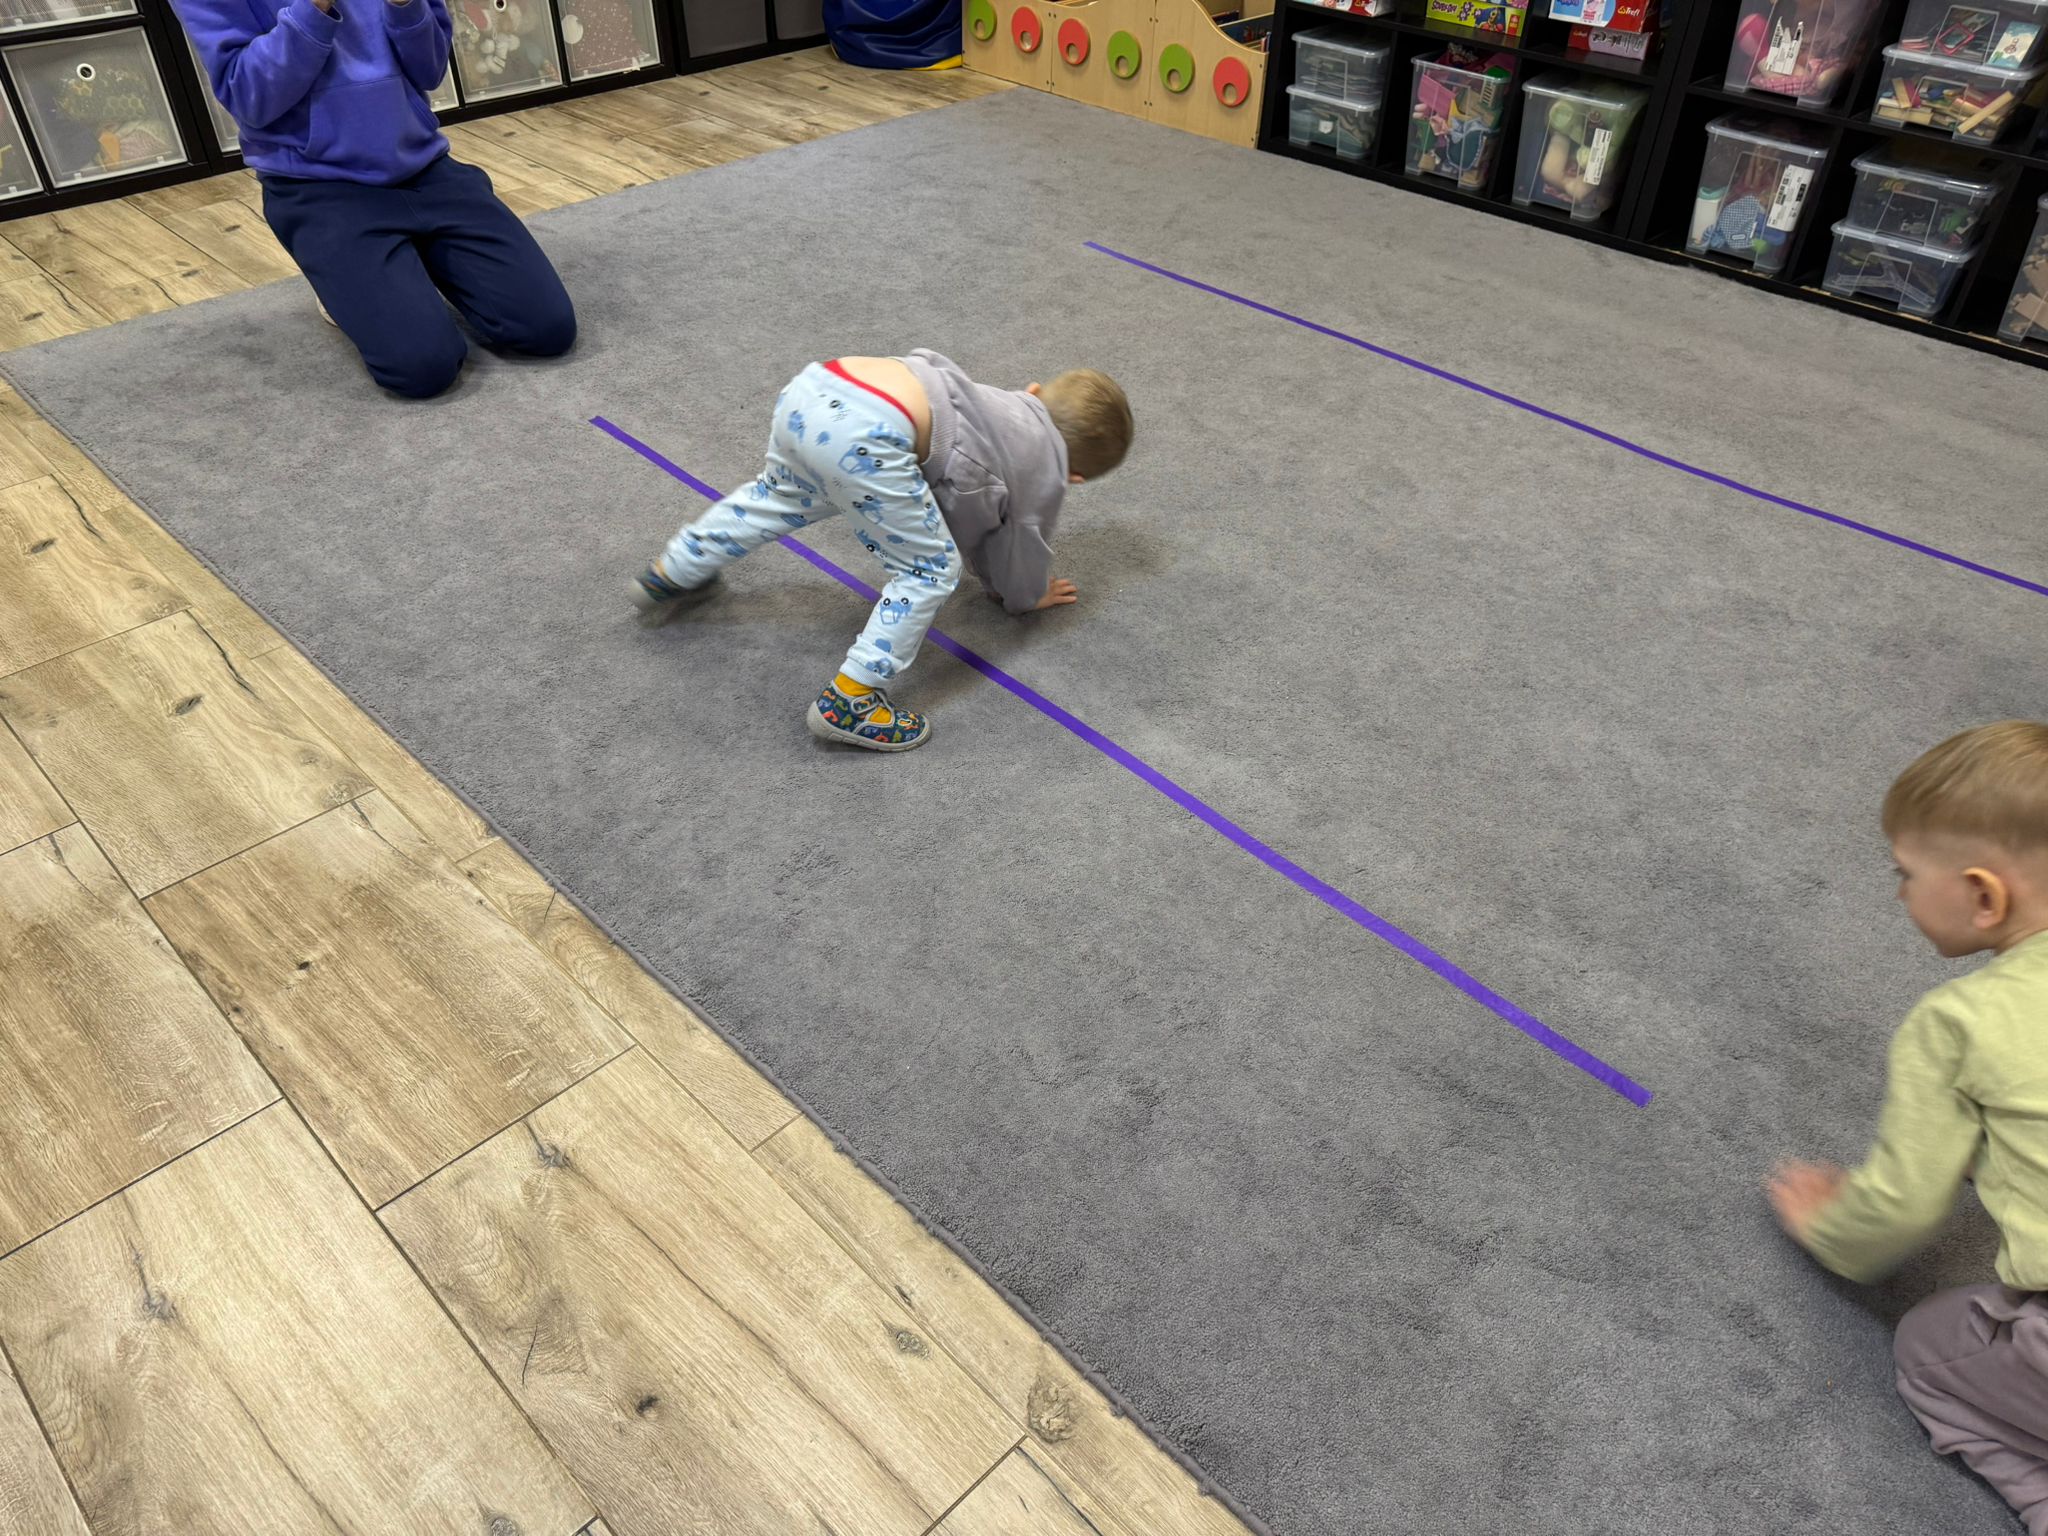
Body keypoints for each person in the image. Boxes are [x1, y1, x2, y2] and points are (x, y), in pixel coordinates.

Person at [1769, 720, 2048, 1535]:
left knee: (1930, 1348)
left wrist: (1829, 1226)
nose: (1899, 894)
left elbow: (1902, 1207)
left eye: (1905, 875)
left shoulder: (1958, 1022)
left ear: (1984, 896)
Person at [632, 350, 1131, 752]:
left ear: (1035, 392)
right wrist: (1025, 595)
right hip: (870, 435)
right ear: (1073, 477)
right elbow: (1014, 543)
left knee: (776, 496)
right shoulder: (1043, 472)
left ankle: (674, 568)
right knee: (929, 571)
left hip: (820, 386)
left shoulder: (998, 404)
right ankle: (852, 700)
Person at [176, 0, 575, 397]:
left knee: (547, 329)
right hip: (318, 187)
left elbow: (431, 69)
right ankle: (352, 279)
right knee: (423, 368)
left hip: (423, 166)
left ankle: (404, 264)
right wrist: (314, 9)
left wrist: (405, 6)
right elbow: (247, 96)